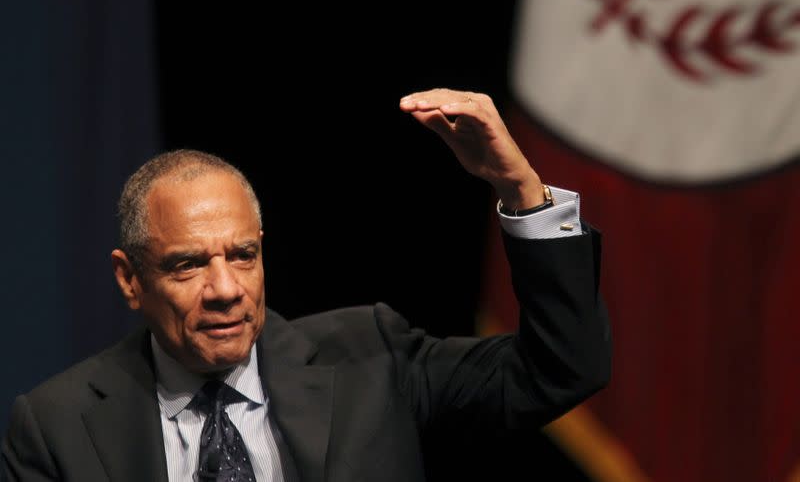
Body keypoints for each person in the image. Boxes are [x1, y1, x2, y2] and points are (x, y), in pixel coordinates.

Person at [1, 88, 611, 482]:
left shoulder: (371, 356)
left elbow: (561, 368)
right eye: (187, 265)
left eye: (242, 256)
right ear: (129, 279)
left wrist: (522, 191)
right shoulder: (57, 427)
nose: (225, 289)